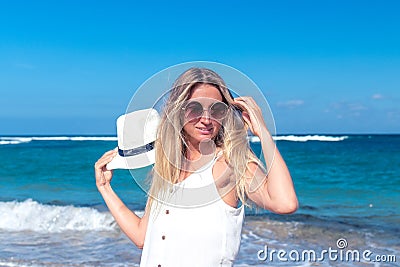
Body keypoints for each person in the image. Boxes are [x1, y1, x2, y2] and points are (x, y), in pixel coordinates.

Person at [94, 68, 298, 266]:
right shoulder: (166, 169)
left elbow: (285, 203)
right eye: (195, 108)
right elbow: (142, 237)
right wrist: (105, 188)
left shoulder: (228, 164)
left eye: (217, 109)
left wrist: (262, 132)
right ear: (178, 111)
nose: (207, 119)